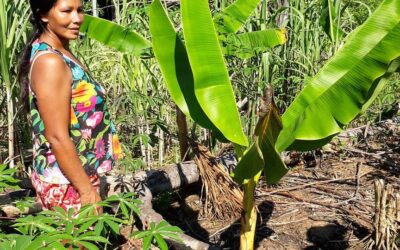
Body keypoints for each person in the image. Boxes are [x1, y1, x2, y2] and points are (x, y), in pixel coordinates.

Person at [17, 0, 124, 215]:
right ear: (43, 15)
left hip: (76, 172)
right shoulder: (50, 61)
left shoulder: (60, 51)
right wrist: (86, 191)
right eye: (67, 11)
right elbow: (56, 135)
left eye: (80, 10)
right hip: (67, 182)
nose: (77, 19)